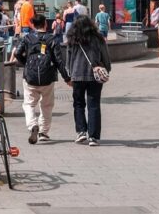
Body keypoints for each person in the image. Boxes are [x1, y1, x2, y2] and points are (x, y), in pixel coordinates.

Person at [13, 14, 70, 144]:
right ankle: (43, 132)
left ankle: (32, 125)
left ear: (33, 25)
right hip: (47, 77)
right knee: (47, 105)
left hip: (30, 77)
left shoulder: (27, 38)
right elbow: (59, 61)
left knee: (29, 103)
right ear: (45, 24)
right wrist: (67, 78)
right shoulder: (52, 39)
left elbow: (17, 53)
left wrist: (25, 63)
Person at [66, 15, 111, 146]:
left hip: (77, 75)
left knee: (78, 104)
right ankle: (93, 137)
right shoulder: (98, 38)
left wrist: (69, 75)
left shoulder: (72, 39)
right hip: (94, 76)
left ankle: (81, 132)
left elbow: (69, 59)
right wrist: (106, 69)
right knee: (94, 105)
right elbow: (105, 56)